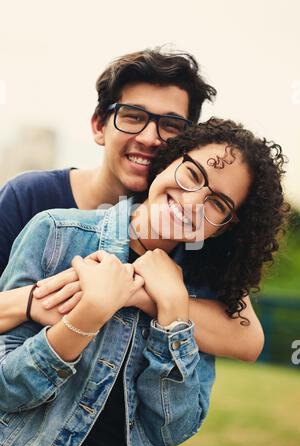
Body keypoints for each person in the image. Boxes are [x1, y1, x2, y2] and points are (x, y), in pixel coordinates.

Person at [0, 119, 289, 446]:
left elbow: (170, 431)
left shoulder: (202, 288)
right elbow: (5, 391)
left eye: (218, 204)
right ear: (168, 162)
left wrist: (174, 313)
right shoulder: (56, 233)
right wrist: (88, 315)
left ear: (223, 228)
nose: (193, 202)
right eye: (193, 174)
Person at [0, 47, 264, 361]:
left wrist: (152, 296)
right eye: (133, 117)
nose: (150, 137)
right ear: (99, 126)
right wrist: (31, 300)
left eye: (170, 125)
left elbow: (246, 337)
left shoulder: (186, 221)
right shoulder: (31, 196)